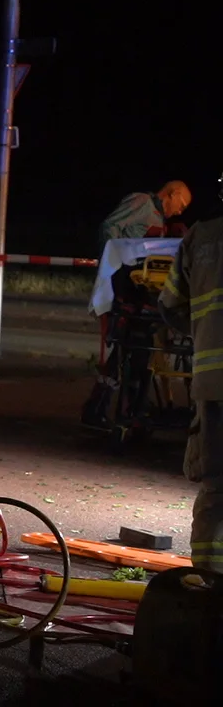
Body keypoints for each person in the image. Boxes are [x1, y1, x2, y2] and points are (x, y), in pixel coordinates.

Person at [157, 172, 223, 573]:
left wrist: (203, 331)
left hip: (213, 382)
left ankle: (207, 588)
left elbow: (169, 305)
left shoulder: (199, 237)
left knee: (216, 484)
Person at [98, 181, 192, 252]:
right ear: (174, 194)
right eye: (182, 207)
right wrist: (113, 259)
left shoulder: (161, 221)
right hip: (121, 271)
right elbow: (110, 225)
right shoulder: (143, 201)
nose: (180, 212)